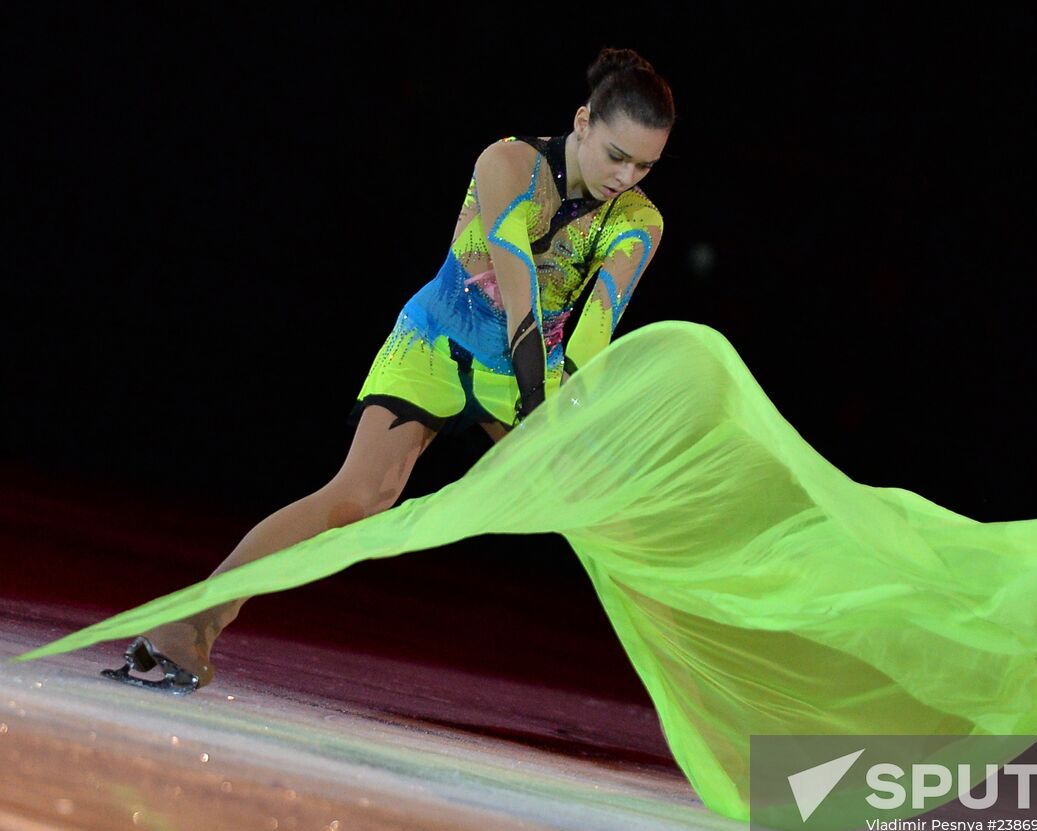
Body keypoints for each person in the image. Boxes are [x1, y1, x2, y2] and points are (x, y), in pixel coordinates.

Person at [100, 47, 673, 694]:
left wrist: (570, 408)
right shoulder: (508, 161)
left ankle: (754, 721)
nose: (626, 176)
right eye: (616, 155)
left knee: (614, 527)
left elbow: (597, 325)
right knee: (360, 495)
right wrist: (538, 387)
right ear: (583, 122)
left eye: (645, 164)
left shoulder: (639, 220)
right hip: (434, 345)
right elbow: (513, 270)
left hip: (528, 372)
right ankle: (191, 625)